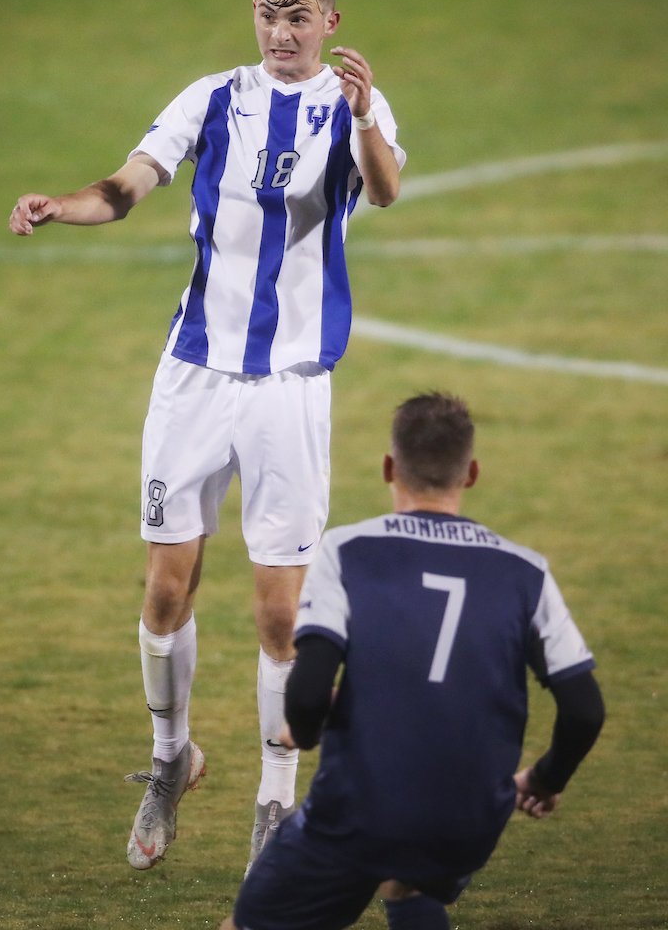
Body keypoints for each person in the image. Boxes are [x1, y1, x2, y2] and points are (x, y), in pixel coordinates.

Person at [9, 0, 406, 871]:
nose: (280, 33)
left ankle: (276, 803)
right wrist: (62, 206)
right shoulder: (213, 96)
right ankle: (170, 758)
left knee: (279, 615)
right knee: (163, 590)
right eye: (268, 15)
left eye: (299, 17)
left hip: (290, 387)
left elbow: (384, 191)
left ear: (331, 23)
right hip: (193, 375)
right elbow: (130, 184)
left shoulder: (357, 104)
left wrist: (363, 123)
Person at [223, 392, 605, 930]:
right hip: (471, 815)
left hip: (360, 807)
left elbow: (307, 691)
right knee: (410, 883)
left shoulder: (347, 551)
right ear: (470, 473)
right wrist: (544, 779)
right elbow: (585, 709)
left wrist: (303, 731)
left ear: (388, 467)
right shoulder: (526, 573)